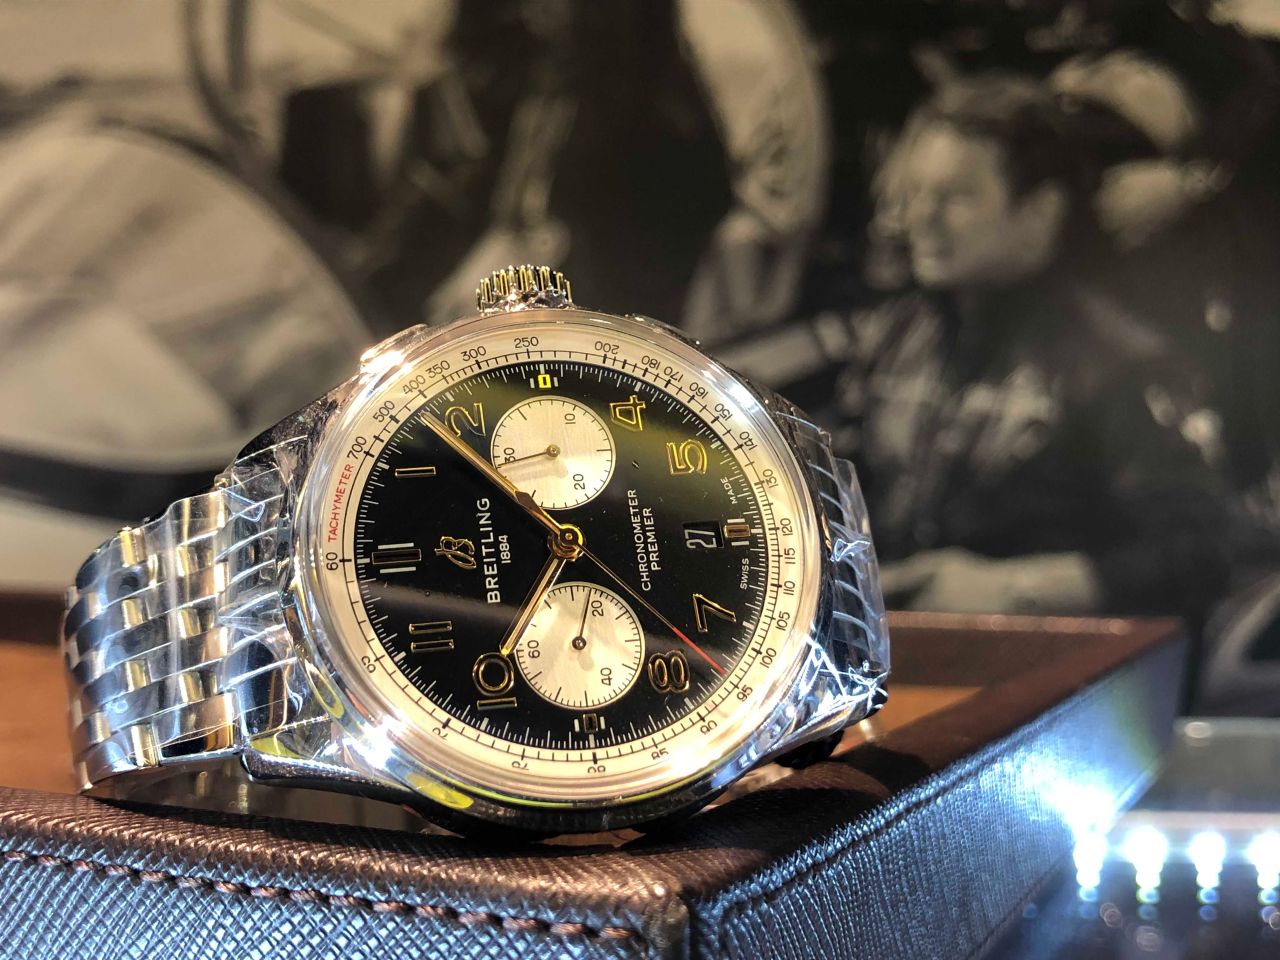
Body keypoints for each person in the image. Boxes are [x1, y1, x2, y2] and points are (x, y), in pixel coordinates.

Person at [832, 72, 1229, 622]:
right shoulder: (890, 339)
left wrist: (1016, 588)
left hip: (1049, 659)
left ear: (1040, 211)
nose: (921, 217)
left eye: (956, 196)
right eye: (915, 192)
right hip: (888, 648)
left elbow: (1199, 553)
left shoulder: (1119, 364)